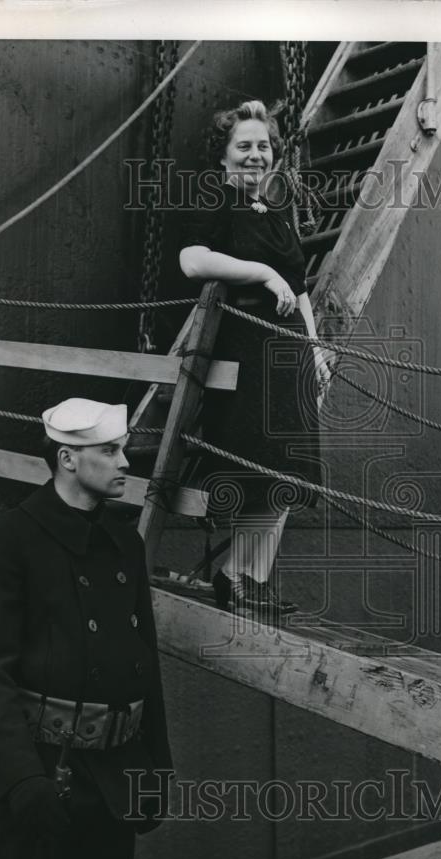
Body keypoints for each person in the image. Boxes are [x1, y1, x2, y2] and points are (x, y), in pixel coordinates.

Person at [0, 398, 172, 859]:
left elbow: (144, 665)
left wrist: (157, 769)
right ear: (68, 458)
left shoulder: (125, 542)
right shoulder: (6, 541)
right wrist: (22, 781)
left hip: (117, 772)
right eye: (111, 451)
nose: (125, 462)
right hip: (46, 773)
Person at [179, 99, 332, 618]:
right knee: (261, 468)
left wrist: (314, 349)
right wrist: (261, 274)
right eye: (242, 146)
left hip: (288, 349)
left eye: (262, 146)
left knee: (285, 470)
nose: (254, 155)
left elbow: (301, 286)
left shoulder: (280, 208)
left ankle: (250, 579)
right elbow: (192, 259)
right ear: (224, 158)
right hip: (248, 347)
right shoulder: (217, 200)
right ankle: (236, 578)